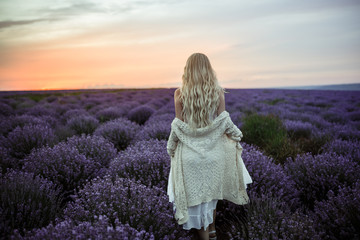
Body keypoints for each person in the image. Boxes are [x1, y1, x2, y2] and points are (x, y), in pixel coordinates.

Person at [166, 53, 253, 240]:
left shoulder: (179, 93)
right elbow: (224, 121)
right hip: (214, 153)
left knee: (197, 203)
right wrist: (237, 135)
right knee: (211, 197)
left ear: (187, 69)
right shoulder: (218, 91)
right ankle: (212, 232)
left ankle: (206, 236)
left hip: (190, 155)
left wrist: (171, 147)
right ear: (208, 68)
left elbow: (178, 125)